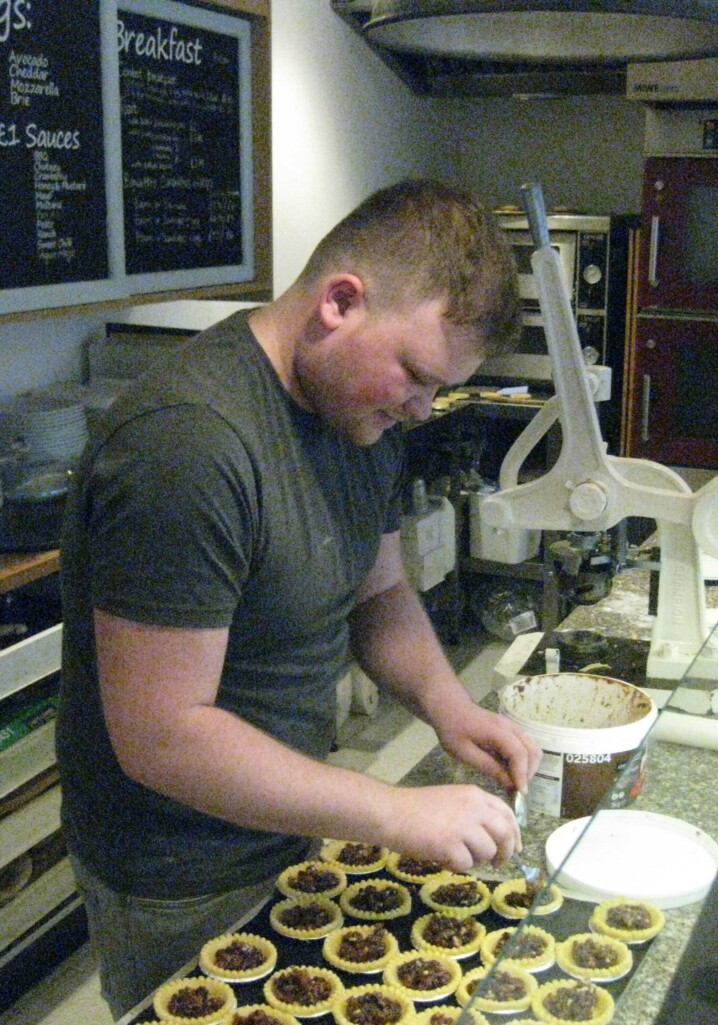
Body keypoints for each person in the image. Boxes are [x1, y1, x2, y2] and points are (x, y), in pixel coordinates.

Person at [56, 179, 541, 1018]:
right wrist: (391, 811)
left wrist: (448, 705)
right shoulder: (188, 446)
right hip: (177, 870)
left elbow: (379, 588)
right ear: (339, 304)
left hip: (286, 823)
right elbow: (163, 738)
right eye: (417, 375)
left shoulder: (359, 415)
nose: (422, 408)